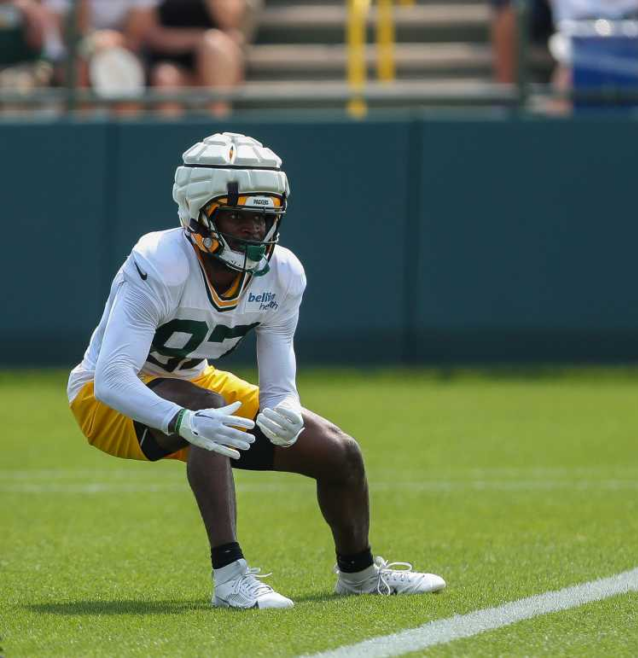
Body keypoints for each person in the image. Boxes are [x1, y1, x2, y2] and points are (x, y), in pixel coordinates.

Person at [66, 132, 446, 609]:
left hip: (193, 382)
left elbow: (279, 368)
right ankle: (230, 578)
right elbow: (111, 378)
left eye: (263, 217)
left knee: (339, 452)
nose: (253, 230)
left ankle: (359, 574)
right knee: (211, 412)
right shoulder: (159, 262)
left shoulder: (282, 273)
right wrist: (185, 421)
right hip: (105, 399)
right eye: (238, 216)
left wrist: (281, 406)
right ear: (198, 212)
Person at [141, 0, 249, 117]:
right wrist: (198, 39)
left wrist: (206, 41)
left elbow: (230, 20)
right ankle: (173, 133)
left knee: (215, 45)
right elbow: (150, 34)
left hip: (214, 57)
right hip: (169, 56)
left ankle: (219, 120)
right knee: (166, 78)